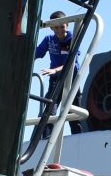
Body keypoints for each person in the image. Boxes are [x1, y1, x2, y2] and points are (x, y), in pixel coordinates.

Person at [32, 10, 79, 141]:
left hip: (71, 78)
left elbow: (69, 63)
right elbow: (36, 53)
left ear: (67, 25)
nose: (59, 30)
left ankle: (79, 136)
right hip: (56, 80)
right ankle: (46, 138)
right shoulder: (49, 39)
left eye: (62, 26)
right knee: (50, 107)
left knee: (73, 110)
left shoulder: (70, 38)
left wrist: (54, 70)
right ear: (51, 27)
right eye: (56, 27)